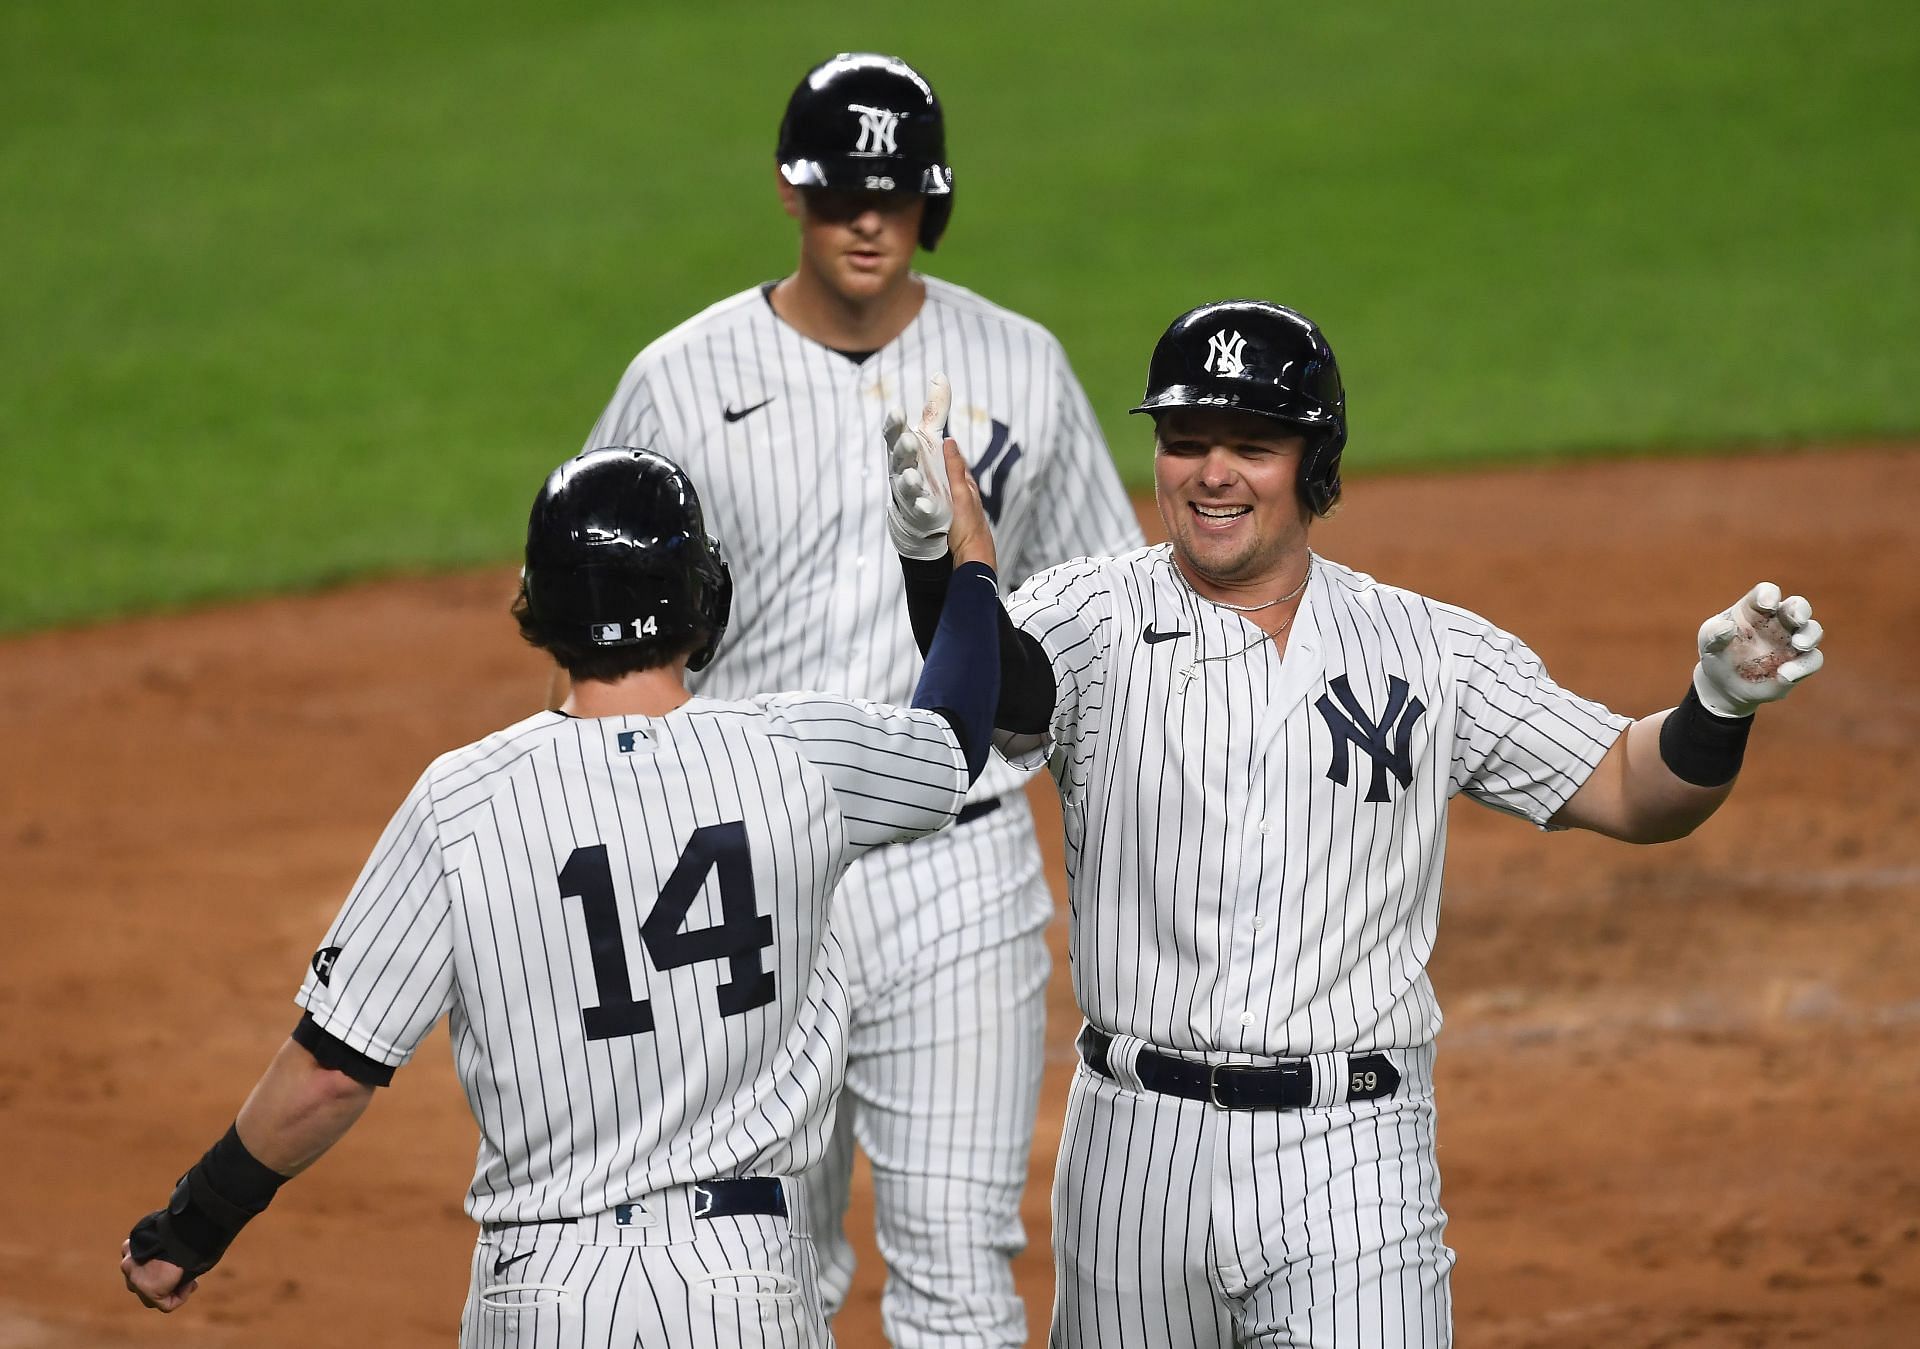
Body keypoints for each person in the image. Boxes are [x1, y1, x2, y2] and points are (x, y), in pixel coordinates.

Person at [886, 299, 1827, 1347]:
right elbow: (992, 693)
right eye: (1186, 440)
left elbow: (1624, 785)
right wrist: (942, 560)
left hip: (1351, 1152)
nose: (1212, 473)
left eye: (1253, 445)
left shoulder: (1429, 648)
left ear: (1314, 461)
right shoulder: (1089, 616)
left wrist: (1719, 705)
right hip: (1134, 1154)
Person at [119, 444, 1004, 1348]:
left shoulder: (460, 800)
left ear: (538, 607)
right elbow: (954, 734)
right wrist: (960, 562)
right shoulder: (799, 755)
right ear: (700, 591)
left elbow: (331, 1070)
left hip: (543, 1293)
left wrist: (192, 1226)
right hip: (742, 1282)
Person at [580, 51, 1143, 1347]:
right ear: (791, 191)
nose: (870, 222)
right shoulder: (679, 378)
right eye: (842, 195)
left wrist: (969, 587)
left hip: (960, 873)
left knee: (958, 1270)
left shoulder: (1020, 365)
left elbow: (1099, 631)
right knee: (757, 1270)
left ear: (932, 200)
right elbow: (597, 620)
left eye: (896, 194)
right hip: (742, 875)